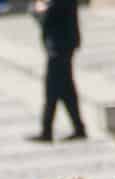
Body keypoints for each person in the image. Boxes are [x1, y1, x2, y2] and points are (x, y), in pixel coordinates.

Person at [30, 0, 85, 141]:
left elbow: (47, 18)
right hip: (64, 45)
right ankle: (78, 128)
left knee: (52, 89)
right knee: (67, 91)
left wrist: (37, 11)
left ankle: (46, 131)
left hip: (59, 47)